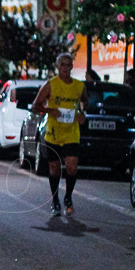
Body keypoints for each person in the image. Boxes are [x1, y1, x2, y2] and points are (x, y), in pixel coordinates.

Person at [32, 53, 88, 217]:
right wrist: (50, 110)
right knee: (54, 168)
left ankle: (68, 198)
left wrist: (82, 114)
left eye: (68, 65)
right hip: (54, 133)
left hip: (71, 133)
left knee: (71, 167)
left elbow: (85, 101)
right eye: (62, 65)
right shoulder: (50, 85)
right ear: (57, 67)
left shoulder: (79, 86)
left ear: (72, 67)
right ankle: (55, 200)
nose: (65, 68)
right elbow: (36, 105)